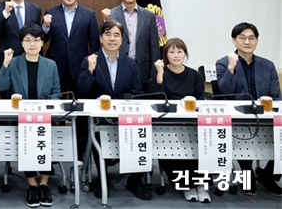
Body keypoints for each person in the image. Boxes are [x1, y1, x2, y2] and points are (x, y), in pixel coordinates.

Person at [77, 20, 146, 200]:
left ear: (122, 40)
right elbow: (81, 91)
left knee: (140, 130)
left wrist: (124, 105)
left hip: (124, 116)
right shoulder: (90, 60)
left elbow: (138, 93)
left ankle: (135, 180)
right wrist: (90, 70)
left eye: (116, 35)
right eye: (108, 34)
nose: (112, 39)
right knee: (97, 133)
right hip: (99, 117)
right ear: (101, 38)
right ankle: (102, 179)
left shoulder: (130, 64)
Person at [0, 24, 60, 208]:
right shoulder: (14, 62)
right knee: (26, 135)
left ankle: (44, 183)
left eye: (36, 40)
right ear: (22, 43)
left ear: (42, 43)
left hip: (44, 118)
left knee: (48, 134)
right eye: (28, 40)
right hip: (21, 119)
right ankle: (32, 184)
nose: (32, 44)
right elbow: (1, 86)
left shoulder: (51, 65)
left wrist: (43, 107)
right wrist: (5, 63)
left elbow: (56, 94)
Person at [216, 22, 281, 197]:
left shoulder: (267, 65)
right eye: (242, 38)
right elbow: (225, 92)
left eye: (251, 38)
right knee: (243, 130)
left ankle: (268, 174)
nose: (247, 42)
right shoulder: (223, 63)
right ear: (234, 40)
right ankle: (247, 173)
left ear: (257, 41)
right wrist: (231, 68)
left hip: (265, 115)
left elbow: (276, 95)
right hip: (238, 117)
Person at [151, 38, 209, 203]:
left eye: (179, 51)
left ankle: (200, 185)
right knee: (173, 150)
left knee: (201, 146)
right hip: (168, 123)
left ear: (185, 53)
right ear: (166, 55)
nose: (176, 55)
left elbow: (201, 100)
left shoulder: (194, 75)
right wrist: (160, 73)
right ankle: (186, 185)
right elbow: (157, 99)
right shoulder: (161, 72)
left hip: (191, 122)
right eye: (172, 52)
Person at [101, 0, 159, 92]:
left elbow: (154, 47)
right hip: (118, 66)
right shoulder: (110, 14)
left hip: (143, 68)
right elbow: (105, 42)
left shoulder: (149, 16)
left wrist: (154, 72)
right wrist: (105, 21)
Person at [43, 0, 99, 94]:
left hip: (80, 65)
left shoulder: (89, 14)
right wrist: (45, 26)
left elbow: (94, 43)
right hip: (56, 65)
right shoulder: (51, 13)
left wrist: (93, 65)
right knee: (56, 99)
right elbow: (44, 39)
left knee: (80, 100)